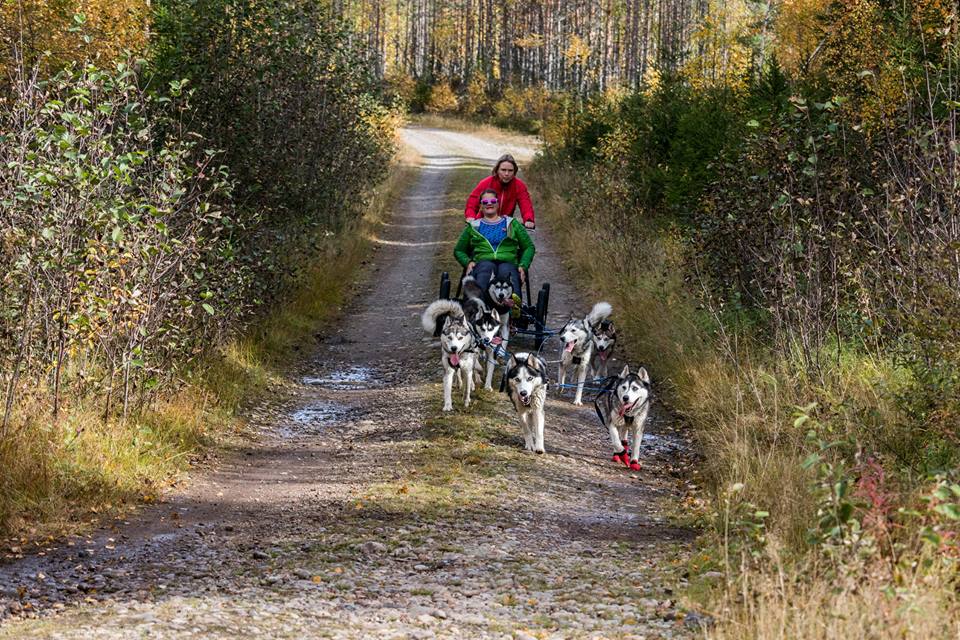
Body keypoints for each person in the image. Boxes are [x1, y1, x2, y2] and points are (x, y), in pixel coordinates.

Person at [454, 188, 535, 296]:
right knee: (486, 268)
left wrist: (523, 266)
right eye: (485, 202)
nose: (489, 204)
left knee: (506, 270)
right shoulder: (473, 226)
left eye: (493, 201)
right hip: (483, 263)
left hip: (508, 262)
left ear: (498, 203)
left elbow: (529, 247)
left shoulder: (512, 223)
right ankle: (478, 303)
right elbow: (459, 250)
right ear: (481, 205)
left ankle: (512, 304)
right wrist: (468, 262)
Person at [464, 154, 536, 229]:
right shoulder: (486, 183)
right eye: (503, 170)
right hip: (483, 224)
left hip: (505, 226)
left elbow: (526, 204)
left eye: (510, 170)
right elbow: (472, 202)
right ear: (497, 170)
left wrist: (529, 219)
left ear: (514, 171)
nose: (507, 174)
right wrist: (470, 216)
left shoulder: (519, 185)